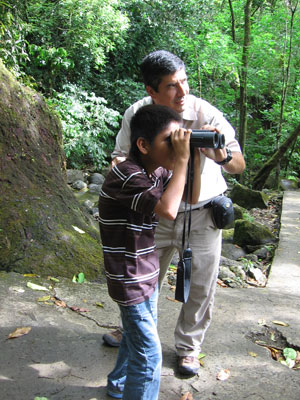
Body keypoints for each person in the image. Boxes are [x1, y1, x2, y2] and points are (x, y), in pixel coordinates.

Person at [103, 50, 246, 376]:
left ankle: (188, 349)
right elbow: (118, 158)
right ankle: (135, 333)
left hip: (201, 212)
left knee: (200, 286)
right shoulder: (137, 114)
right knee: (141, 279)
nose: (183, 93)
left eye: (184, 82)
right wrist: (135, 186)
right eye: (172, 86)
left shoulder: (205, 113)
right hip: (154, 211)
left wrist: (220, 156)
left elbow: (239, 165)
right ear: (151, 91)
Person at [99, 104, 201, 399]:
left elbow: (190, 197)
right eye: (169, 141)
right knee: (149, 355)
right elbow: (169, 210)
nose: (175, 147)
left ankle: (118, 385)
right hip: (128, 279)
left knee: (135, 339)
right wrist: (180, 159)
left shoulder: (154, 170)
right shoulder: (127, 175)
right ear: (143, 145)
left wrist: (191, 156)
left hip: (146, 274)